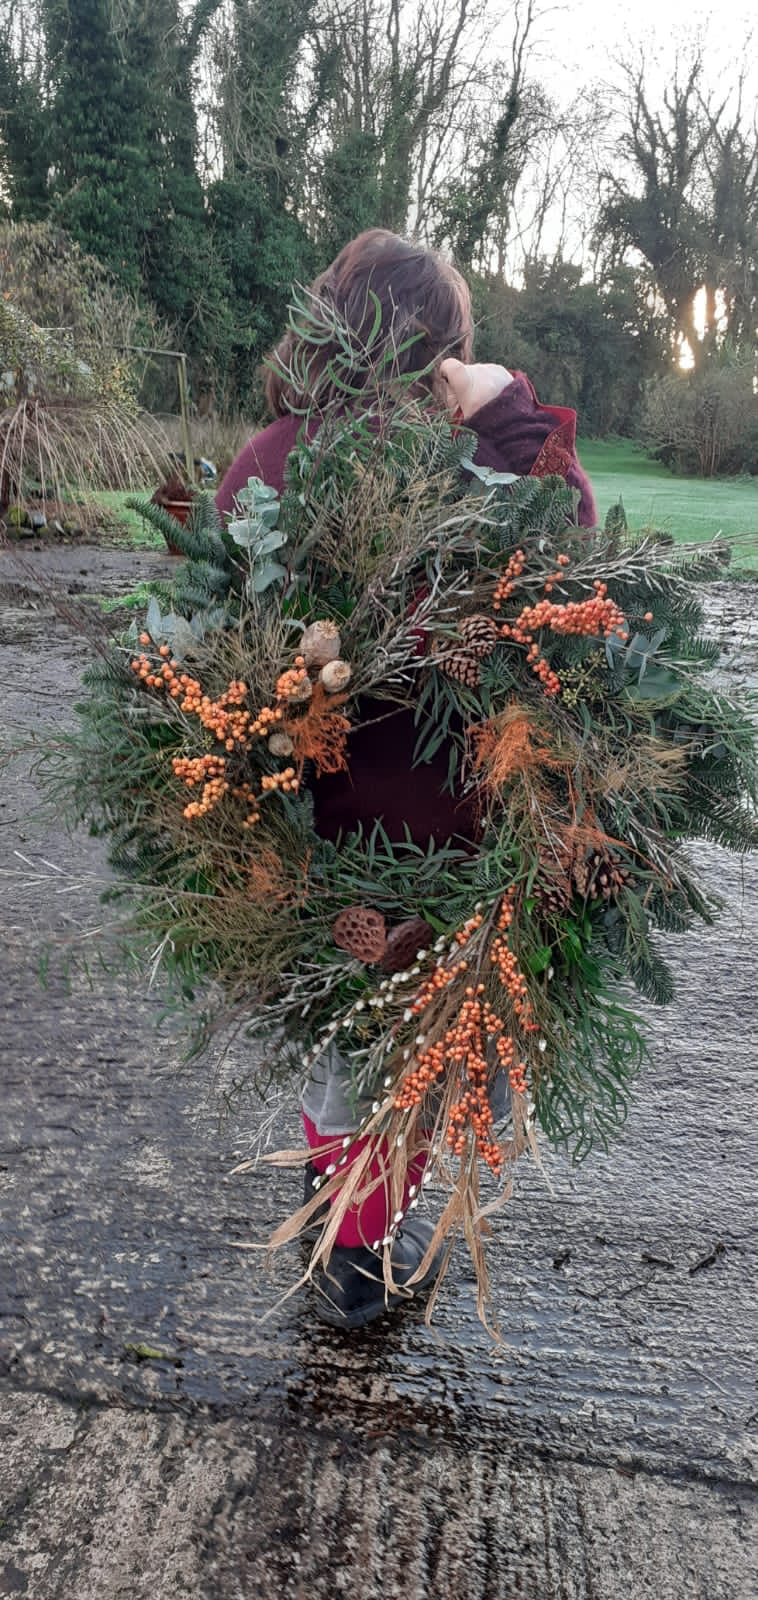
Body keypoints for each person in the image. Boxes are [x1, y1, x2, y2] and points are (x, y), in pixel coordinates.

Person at [216, 228, 597, 1328]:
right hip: (451, 840)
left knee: (352, 1032)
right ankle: (356, 1257)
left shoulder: (270, 458)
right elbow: (567, 533)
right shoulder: (479, 466)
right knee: (425, 1049)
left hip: (323, 840)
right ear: (442, 355)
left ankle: (341, 1242)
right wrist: (508, 404)